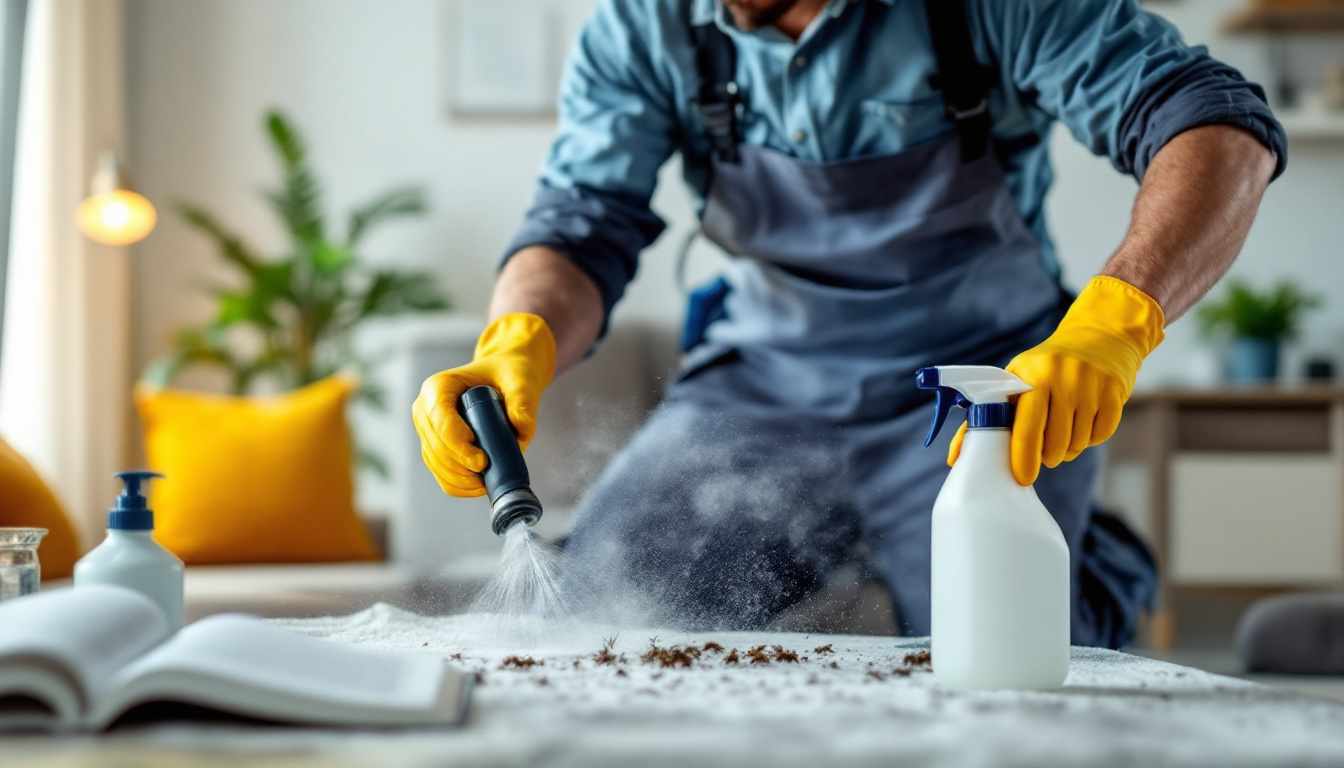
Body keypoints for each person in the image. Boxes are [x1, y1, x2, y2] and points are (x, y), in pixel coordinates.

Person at [413, 0, 1285, 648]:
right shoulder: (646, 25)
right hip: (761, 392)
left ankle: (1094, 570)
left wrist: (1117, 321)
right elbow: (581, 224)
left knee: (1011, 655)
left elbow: (1213, 122)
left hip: (983, 390)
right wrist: (516, 339)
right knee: (601, 624)